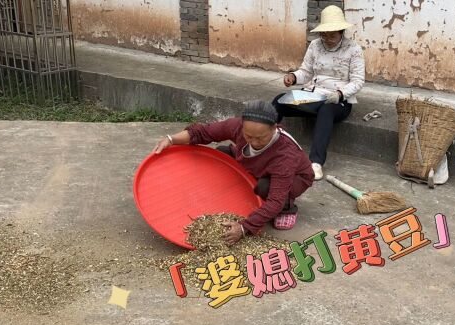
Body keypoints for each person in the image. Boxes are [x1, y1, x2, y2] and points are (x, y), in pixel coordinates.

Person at [152, 100, 314, 245]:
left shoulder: (285, 155)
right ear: (242, 126)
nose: (254, 142)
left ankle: (288, 208)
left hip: (295, 178)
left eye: (261, 138)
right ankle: (244, 185)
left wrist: (244, 228)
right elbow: (203, 132)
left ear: (274, 128)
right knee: (221, 153)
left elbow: (275, 201)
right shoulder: (237, 126)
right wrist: (171, 139)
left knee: (265, 187)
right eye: (248, 136)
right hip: (257, 165)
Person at [272, 5, 365, 181]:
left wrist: (339, 94)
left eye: (332, 35)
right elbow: (306, 71)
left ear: (341, 32)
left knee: (326, 109)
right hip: (313, 95)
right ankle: (267, 143)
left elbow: (358, 81)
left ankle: (316, 162)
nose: (327, 39)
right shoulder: (315, 45)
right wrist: (293, 76)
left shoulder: (354, 49)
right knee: (279, 101)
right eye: (324, 34)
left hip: (339, 101)